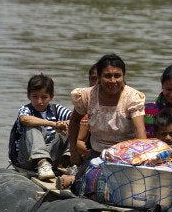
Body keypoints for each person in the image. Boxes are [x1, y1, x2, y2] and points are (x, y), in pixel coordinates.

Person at [59, 54, 147, 189]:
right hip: (97, 153)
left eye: (117, 76)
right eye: (107, 76)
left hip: (124, 157)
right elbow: (75, 120)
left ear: (123, 76)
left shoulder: (132, 98)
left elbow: (140, 133)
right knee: (84, 186)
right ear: (99, 77)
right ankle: (75, 179)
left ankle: (73, 178)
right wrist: (74, 151)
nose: (113, 81)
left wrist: (142, 161)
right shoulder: (87, 95)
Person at [8, 73, 72, 180]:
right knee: (32, 126)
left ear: (51, 97)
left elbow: (77, 118)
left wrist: (64, 124)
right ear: (28, 96)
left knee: (71, 127)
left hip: (52, 157)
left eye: (44, 97)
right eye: (35, 97)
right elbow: (24, 119)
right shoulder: (26, 110)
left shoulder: (56, 110)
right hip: (27, 158)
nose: (39, 101)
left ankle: (68, 161)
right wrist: (53, 124)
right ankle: (41, 162)